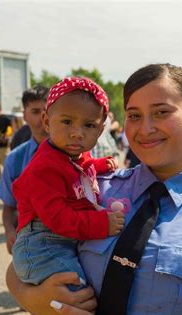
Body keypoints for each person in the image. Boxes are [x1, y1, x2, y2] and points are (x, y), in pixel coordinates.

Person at [6, 63, 182, 315]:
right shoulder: (96, 188)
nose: (145, 129)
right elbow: (26, 256)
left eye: (161, 112)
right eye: (134, 115)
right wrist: (36, 300)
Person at [10, 77, 123, 291]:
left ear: (100, 130)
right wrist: (102, 224)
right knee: (78, 293)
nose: (77, 132)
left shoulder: (73, 154)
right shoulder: (44, 168)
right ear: (46, 121)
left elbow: (80, 169)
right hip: (42, 244)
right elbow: (58, 218)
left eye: (89, 125)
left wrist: (99, 165)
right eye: (67, 121)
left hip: (61, 240)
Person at [0, 85, 49, 254]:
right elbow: (9, 206)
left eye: (47, 110)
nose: (42, 117)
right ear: (24, 115)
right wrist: (10, 231)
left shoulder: (75, 154)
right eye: (35, 111)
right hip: (29, 245)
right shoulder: (15, 159)